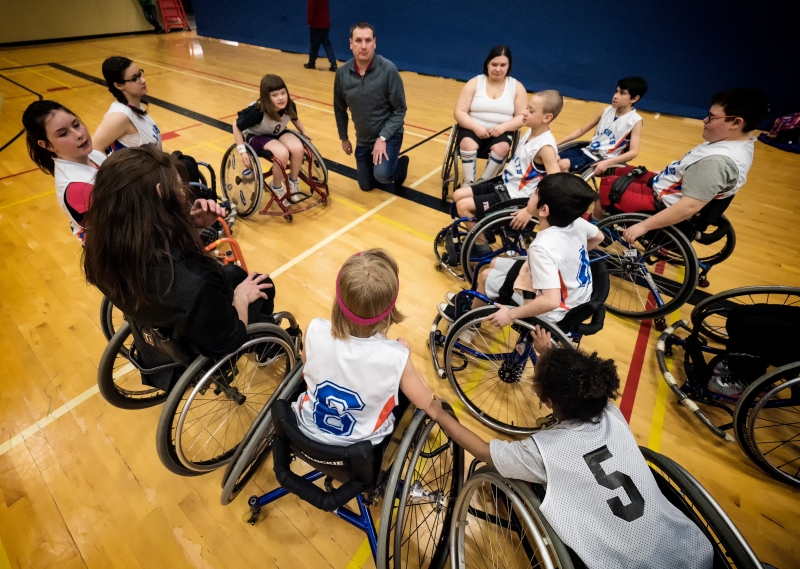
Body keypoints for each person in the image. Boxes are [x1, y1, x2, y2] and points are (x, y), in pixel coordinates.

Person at [426, 343, 714, 569]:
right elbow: (573, 381)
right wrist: (546, 350)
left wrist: (440, 414)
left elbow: (482, 450)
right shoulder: (612, 414)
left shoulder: (542, 453)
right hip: (690, 548)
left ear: (549, 403)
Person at [82, 145, 275, 360]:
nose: (185, 192)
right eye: (179, 186)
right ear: (160, 193)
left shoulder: (102, 249)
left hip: (160, 319)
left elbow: (166, 258)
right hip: (201, 337)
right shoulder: (198, 281)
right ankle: (267, 351)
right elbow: (230, 340)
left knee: (234, 274)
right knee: (261, 284)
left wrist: (192, 224)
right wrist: (241, 297)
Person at [293, 249, 435, 446]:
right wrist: (406, 358)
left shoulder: (315, 328)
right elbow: (425, 401)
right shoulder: (395, 356)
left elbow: (306, 363)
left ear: (338, 299)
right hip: (358, 449)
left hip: (306, 430)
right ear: (389, 311)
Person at [592, 88, 769, 245]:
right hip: (667, 187)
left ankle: (596, 233)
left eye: (712, 117)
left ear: (736, 123)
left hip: (661, 203)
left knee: (606, 186)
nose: (704, 119)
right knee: (619, 170)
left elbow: (689, 207)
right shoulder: (741, 144)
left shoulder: (717, 162)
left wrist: (643, 226)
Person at [439, 174, 603, 326]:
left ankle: (471, 321)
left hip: (558, 310)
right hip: (578, 294)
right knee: (494, 262)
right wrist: (568, 258)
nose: (531, 194)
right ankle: (478, 302)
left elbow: (550, 301)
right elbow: (598, 237)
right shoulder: (575, 222)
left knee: (486, 276)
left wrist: (511, 314)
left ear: (544, 210)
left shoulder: (542, 246)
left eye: (535, 193)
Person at [451, 90, 562, 242]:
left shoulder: (545, 147)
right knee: (458, 195)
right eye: (526, 107)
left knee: (463, 206)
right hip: (505, 185)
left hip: (515, 199)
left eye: (531, 110)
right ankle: (484, 229)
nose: (524, 112)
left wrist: (530, 211)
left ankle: (482, 245)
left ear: (547, 117)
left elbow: (555, 185)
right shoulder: (531, 131)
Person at [334, 22, 409, 192]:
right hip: (364, 139)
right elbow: (339, 108)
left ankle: (400, 167)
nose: (363, 46)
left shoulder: (388, 70)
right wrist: (344, 137)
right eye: (358, 40)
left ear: (374, 42)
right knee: (366, 186)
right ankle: (378, 165)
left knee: (382, 176)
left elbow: (400, 110)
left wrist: (382, 138)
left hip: (389, 136)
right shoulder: (342, 74)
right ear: (351, 43)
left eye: (368, 40)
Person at [22, 100, 106, 242]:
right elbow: (119, 228)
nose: (78, 134)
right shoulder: (76, 187)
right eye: (63, 134)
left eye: (76, 125)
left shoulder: (94, 156)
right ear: (46, 145)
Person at [453, 45, 527, 184]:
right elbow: (459, 112)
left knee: (503, 147)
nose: (498, 69)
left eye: (503, 65)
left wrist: (504, 127)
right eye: (494, 64)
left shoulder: (517, 87)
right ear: (487, 64)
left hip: (500, 131)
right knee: (467, 144)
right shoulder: (475, 83)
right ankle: (468, 183)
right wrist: (476, 127)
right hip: (472, 128)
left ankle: (484, 182)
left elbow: (521, 117)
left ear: (509, 66)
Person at [233, 74, 312, 204]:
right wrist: (242, 151)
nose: (281, 98)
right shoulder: (257, 111)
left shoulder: (290, 105)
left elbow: (294, 118)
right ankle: (277, 188)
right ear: (266, 98)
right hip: (256, 135)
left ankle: (293, 183)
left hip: (277, 131)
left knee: (298, 149)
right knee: (282, 153)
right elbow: (236, 126)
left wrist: (303, 131)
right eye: (274, 95)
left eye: (283, 93)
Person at [557, 76, 648, 174]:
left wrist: (608, 162)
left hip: (602, 159)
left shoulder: (635, 120)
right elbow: (581, 131)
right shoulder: (606, 110)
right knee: (552, 157)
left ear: (634, 98)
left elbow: (633, 152)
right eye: (616, 91)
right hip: (587, 150)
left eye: (622, 93)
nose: (615, 96)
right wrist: (556, 144)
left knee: (563, 164)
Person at [92, 56, 162, 153]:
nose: (143, 80)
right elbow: (94, 149)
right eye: (134, 78)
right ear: (118, 85)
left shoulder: (134, 106)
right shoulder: (119, 116)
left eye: (140, 74)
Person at [304, 0, 337, 71]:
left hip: (316, 24)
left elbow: (311, 10)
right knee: (327, 44)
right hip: (325, 24)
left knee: (314, 45)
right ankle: (333, 63)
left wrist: (309, 21)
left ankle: (311, 63)